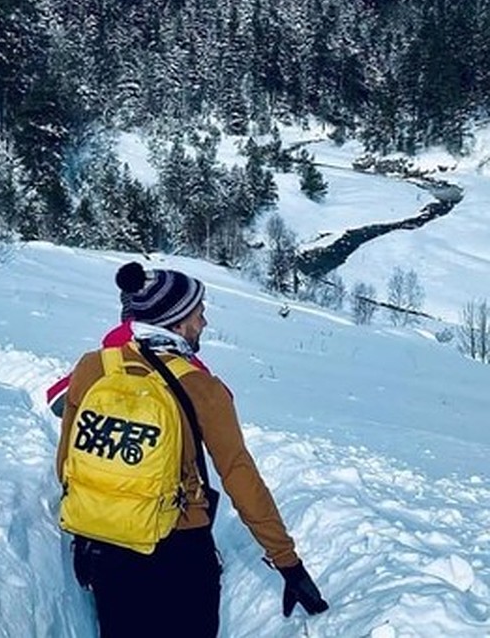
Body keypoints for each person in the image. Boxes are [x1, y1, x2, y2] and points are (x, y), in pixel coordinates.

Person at [56, 262, 329, 638]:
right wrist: (288, 563)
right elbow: (239, 477)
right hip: (179, 551)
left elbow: (67, 463)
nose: (204, 323)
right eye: (198, 314)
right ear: (177, 322)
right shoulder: (202, 388)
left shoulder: (93, 367)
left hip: (107, 548)